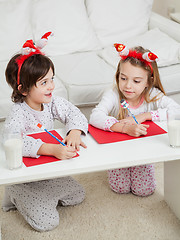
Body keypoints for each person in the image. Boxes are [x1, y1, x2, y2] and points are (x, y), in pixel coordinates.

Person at [2, 32, 88, 232]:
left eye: (52, 79)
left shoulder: (52, 103)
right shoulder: (18, 112)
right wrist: (51, 149)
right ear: (23, 90)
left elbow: (74, 113)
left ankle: (42, 196)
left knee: (78, 195)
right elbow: (12, 141)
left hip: (48, 172)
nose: (52, 86)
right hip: (26, 177)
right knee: (47, 223)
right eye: (44, 83)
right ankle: (15, 193)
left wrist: (74, 131)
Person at [89, 44, 180, 197]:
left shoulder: (152, 94)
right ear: (118, 75)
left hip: (143, 152)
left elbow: (176, 110)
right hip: (117, 151)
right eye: (123, 78)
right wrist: (123, 128)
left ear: (148, 82)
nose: (128, 86)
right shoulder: (113, 94)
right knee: (120, 188)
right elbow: (95, 116)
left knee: (145, 190)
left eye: (136, 81)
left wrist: (144, 116)